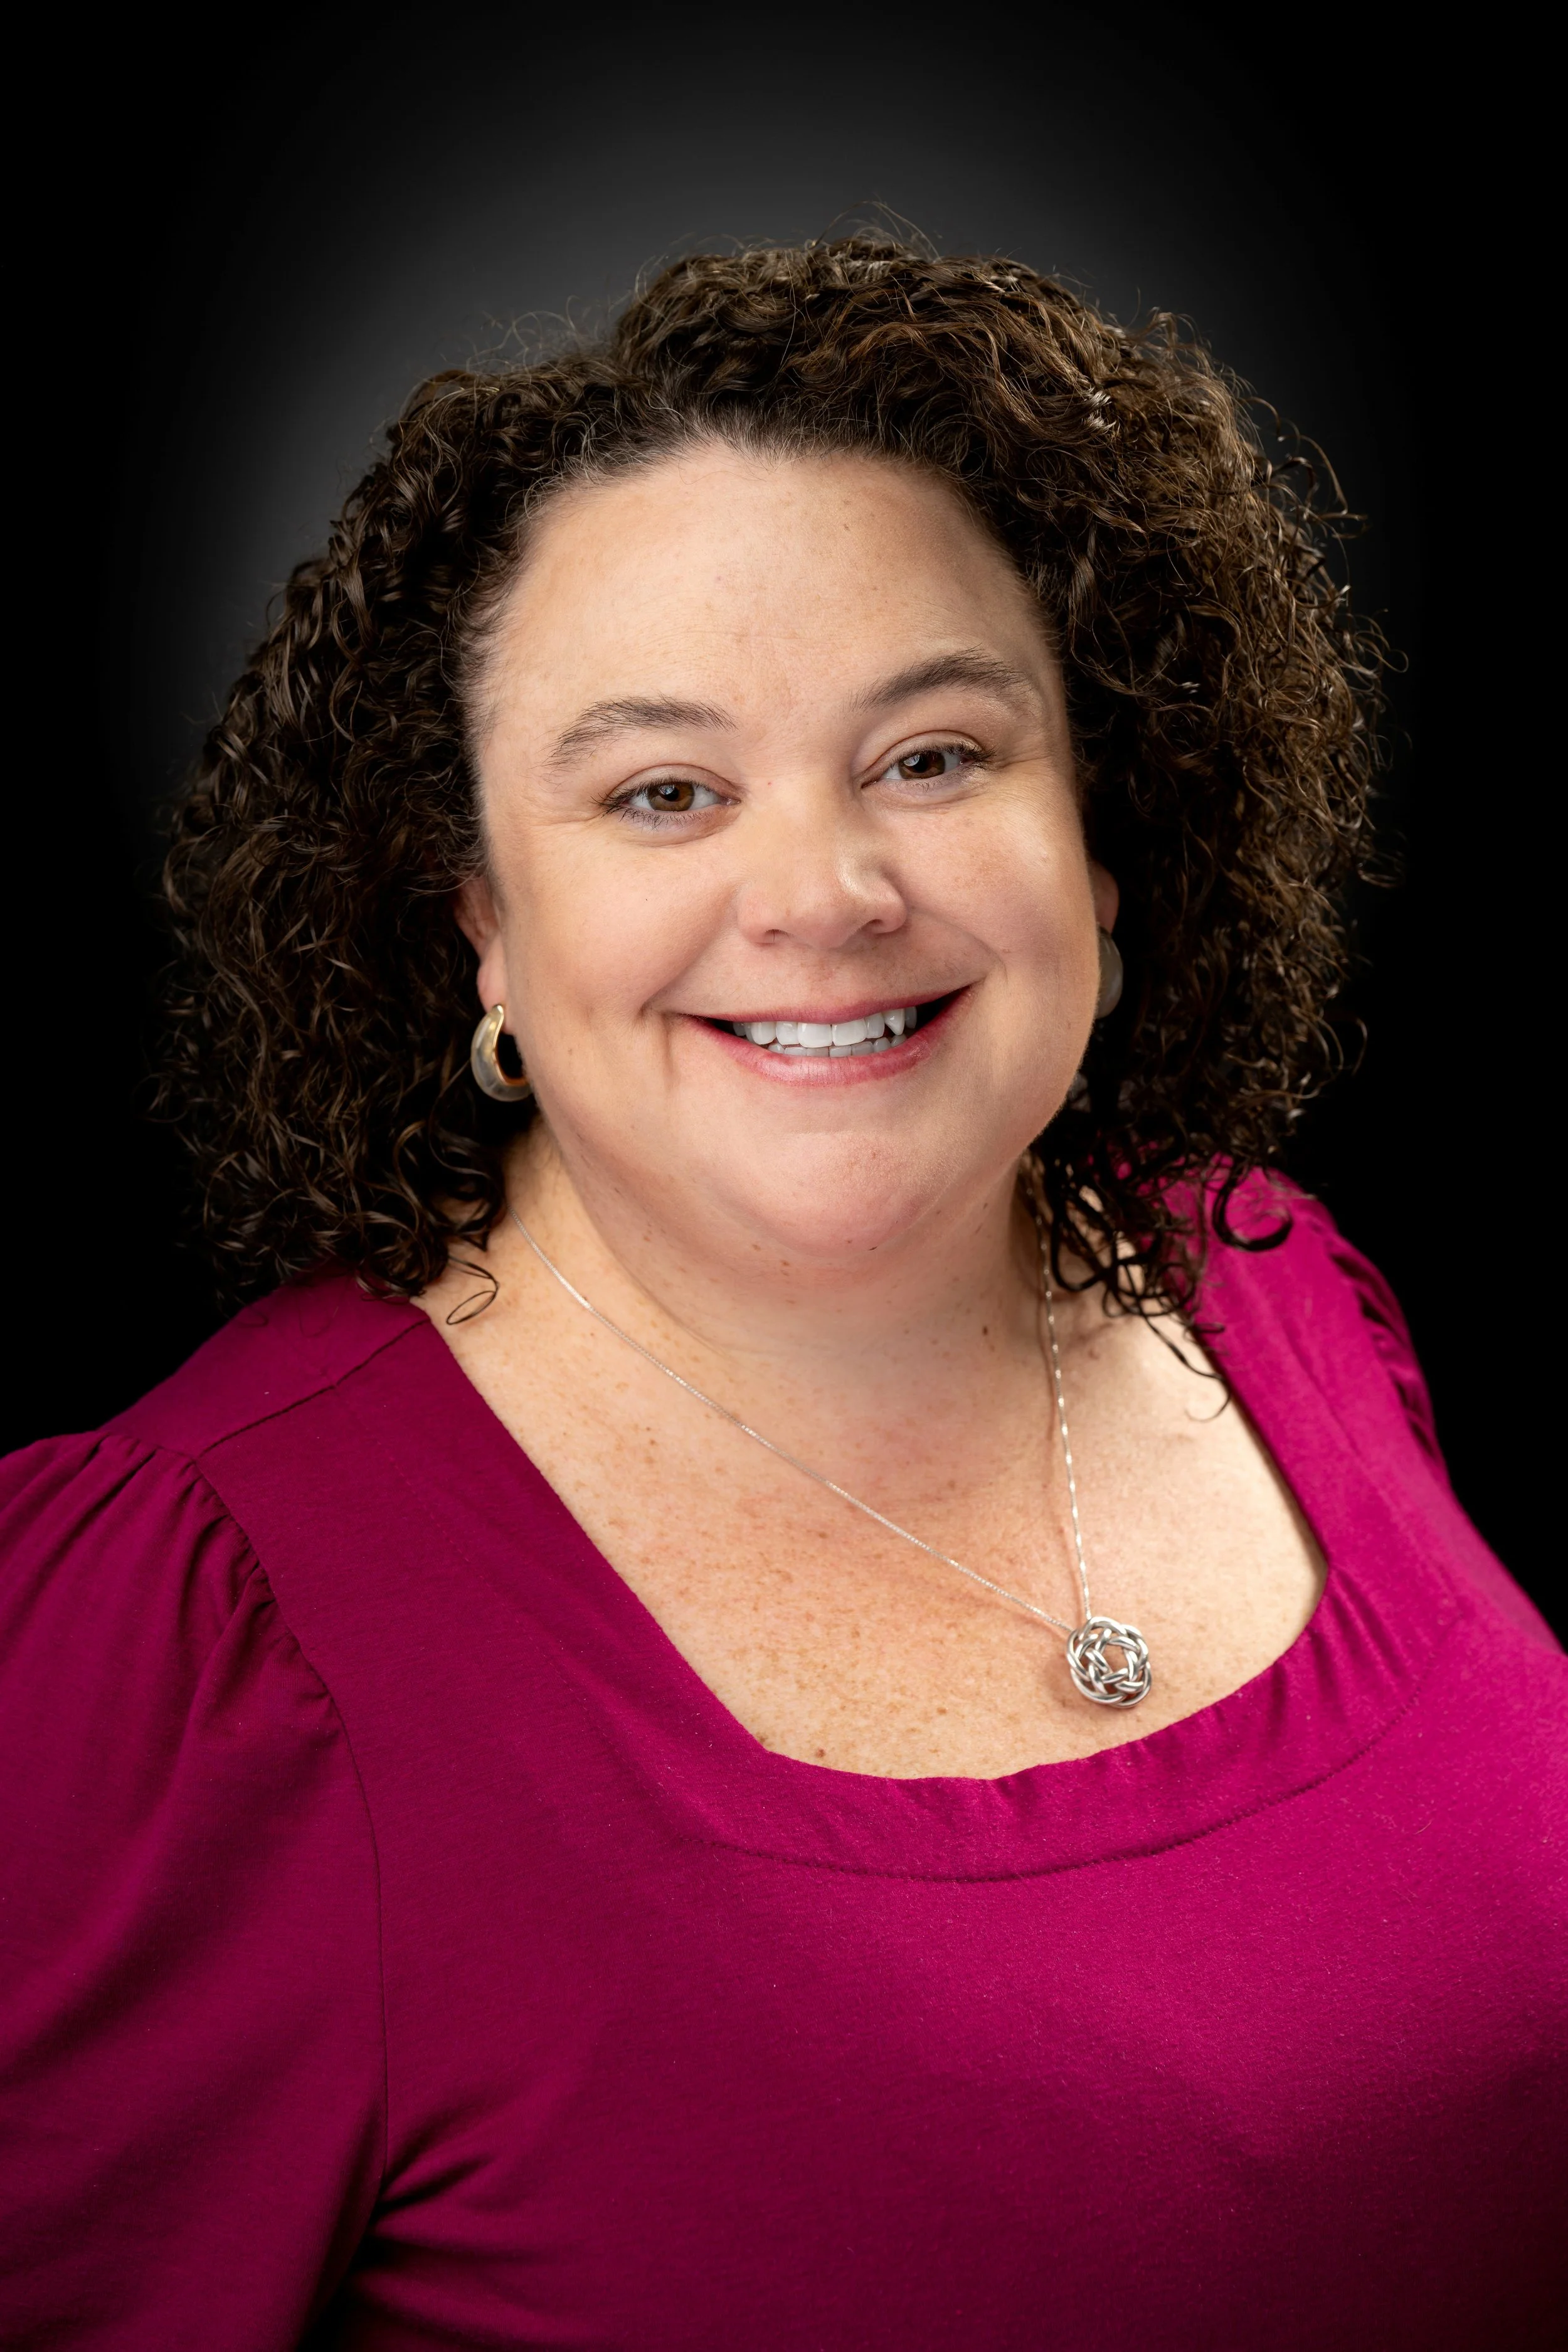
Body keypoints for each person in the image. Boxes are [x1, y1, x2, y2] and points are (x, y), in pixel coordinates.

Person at [2, 238, 1562, 2351]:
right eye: (663, 792)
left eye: (931, 756)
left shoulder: (1282, 1285)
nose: (823, 893)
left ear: (1101, 830)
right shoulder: (192, 1626)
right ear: (474, 919)